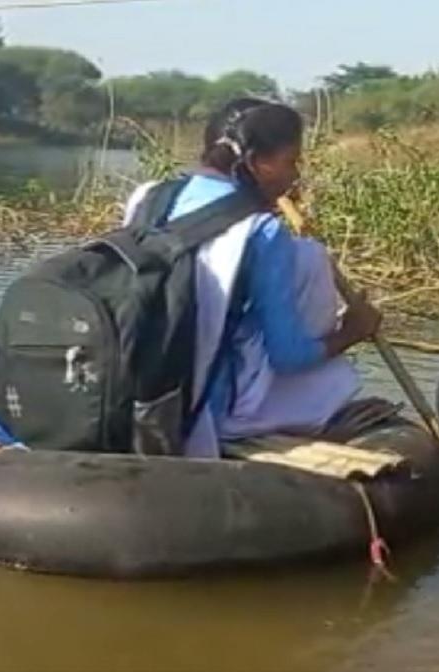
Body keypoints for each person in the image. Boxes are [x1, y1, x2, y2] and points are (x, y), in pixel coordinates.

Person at [122, 97, 383, 458]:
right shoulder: (262, 230)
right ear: (257, 163)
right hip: (205, 411)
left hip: (138, 392)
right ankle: (258, 424)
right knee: (310, 256)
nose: (295, 176)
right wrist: (354, 330)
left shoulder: (148, 197)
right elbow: (289, 357)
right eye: (290, 162)